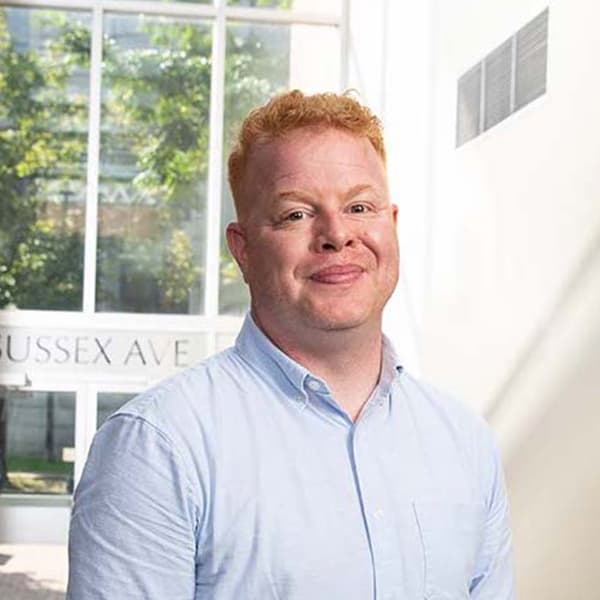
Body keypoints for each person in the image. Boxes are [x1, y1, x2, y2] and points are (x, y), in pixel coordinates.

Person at [67, 90, 515, 599]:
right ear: (243, 249)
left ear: (391, 226)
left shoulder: (465, 443)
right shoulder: (158, 447)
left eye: (360, 206)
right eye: (296, 214)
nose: (337, 234)